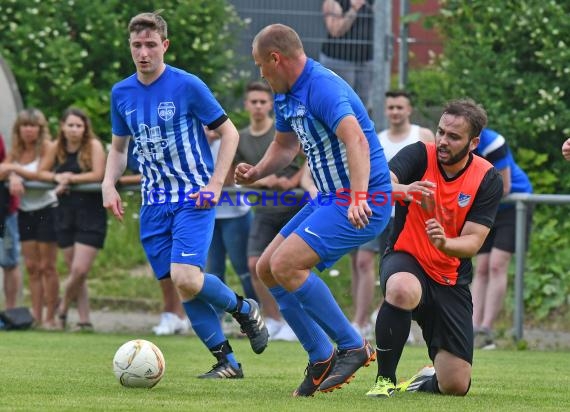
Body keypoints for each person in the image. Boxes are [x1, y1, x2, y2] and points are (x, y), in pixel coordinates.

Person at [102, 11, 268, 379]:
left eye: (150, 45)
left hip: (193, 198)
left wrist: (215, 185)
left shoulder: (188, 85)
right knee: (183, 287)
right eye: (136, 46)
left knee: (188, 277)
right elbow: (117, 149)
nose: (143, 53)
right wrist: (108, 183)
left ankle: (243, 308)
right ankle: (227, 362)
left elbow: (230, 134)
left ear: (165, 45)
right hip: (153, 205)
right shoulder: (121, 93)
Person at [236, 24, 392, 396]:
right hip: (329, 197)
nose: (260, 73)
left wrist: (357, 198)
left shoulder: (322, 86)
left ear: (276, 58)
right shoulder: (286, 92)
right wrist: (257, 172)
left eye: (261, 64)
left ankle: (352, 346)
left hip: (364, 199)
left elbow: (354, 138)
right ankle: (321, 355)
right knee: (266, 269)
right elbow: (286, 146)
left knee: (287, 264)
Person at [365, 98, 503, 398]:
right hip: (407, 257)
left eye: (453, 137)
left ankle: (421, 382)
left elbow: (473, 243)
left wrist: (444, 243)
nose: (443, 141)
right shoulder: (419, 154)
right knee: (402, 288)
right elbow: (379, 184)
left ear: (474, 142)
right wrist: (403, 190)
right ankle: (384, 381)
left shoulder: (487, 178)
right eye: (441, 132)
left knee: (455, 386)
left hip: (450, 278)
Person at [352, 90, 434, 338]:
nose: (395, 112)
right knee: (363, 262)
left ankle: (398, 319)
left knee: (404, 268)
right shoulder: (377, 138)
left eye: (400, 107)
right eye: (391, 108)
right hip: (377, 212)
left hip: (408, 215)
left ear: (409, 110)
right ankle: (360, 321)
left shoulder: (422, 135)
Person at [235, 80, 302, 342]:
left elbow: (308, 161)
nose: (259, 106)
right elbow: (234, 173)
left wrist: (291, 182)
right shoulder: (241, 138)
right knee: (254, 265)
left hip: (293, 208)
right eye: (254, 101)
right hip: (263, 209)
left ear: (271, 104)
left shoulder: (284, 131)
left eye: (264, 101)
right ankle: (273, 319)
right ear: (246, 105)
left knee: (287, 267)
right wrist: (262, 180)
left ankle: (294, 322)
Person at [37, 107, 107, 332]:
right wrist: (57, 176)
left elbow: (99, 174)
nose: (74, 129)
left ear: (85, 127)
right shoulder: (56, 147)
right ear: (63, 127)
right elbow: (41, 172)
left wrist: (71, 179)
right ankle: (84, 321)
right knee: (77, 275)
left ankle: (62, 308)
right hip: (65, 214)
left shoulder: (93, 146)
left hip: (91, 214)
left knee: (80, 270)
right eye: (70, 125)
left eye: (79, 125)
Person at [118, 140, 190, 336]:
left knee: (183, 268)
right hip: (154, 205)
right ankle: (171, 314)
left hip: (185, 203)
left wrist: (123, 181)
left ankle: (182, 315)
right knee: (163, 265)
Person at [471, 128, 533, 349]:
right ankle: (473, 327)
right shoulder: (457, 143)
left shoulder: (494, 142)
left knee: (497, 265)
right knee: (481, 268)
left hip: (512, 205)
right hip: (487, 206)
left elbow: (504, 187)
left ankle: (486, 329)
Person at [0, 109, 59, 329]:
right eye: (24, 125)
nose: (28, 130)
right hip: (25, 210)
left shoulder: (48, 147)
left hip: (46, 208)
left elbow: (41, 173)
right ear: (18, 129)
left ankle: (50, 317)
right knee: (32, 266)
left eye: (32, 125)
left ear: (40, 129)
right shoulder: (15, 150)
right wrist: (13, 174)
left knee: (47, 266)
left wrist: (13, 170)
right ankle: (35, 316)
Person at [320, 0, 375, 109]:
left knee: (361, 105)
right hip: (339, 60)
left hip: (365, 60)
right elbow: (335, 30)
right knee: (341, 103)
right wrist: (354, 9)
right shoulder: (333, 2)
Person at [0, 133, 23, 313]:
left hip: (4, 211)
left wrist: (13, 173)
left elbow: (8, 165)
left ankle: (10, 314)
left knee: (9, 261)